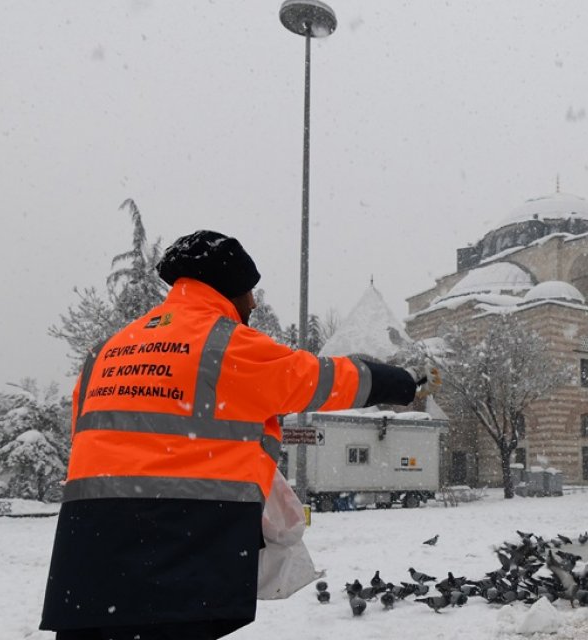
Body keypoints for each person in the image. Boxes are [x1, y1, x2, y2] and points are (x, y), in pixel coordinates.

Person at [40, 230, 429, 640]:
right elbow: (323, 379)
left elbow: (94, 439)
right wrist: (402, 383)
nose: (254, 303)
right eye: (249, 291)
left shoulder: (105, 351)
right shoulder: (224, 346)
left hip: (85, 559)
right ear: (228, 288)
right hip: (174, 554)